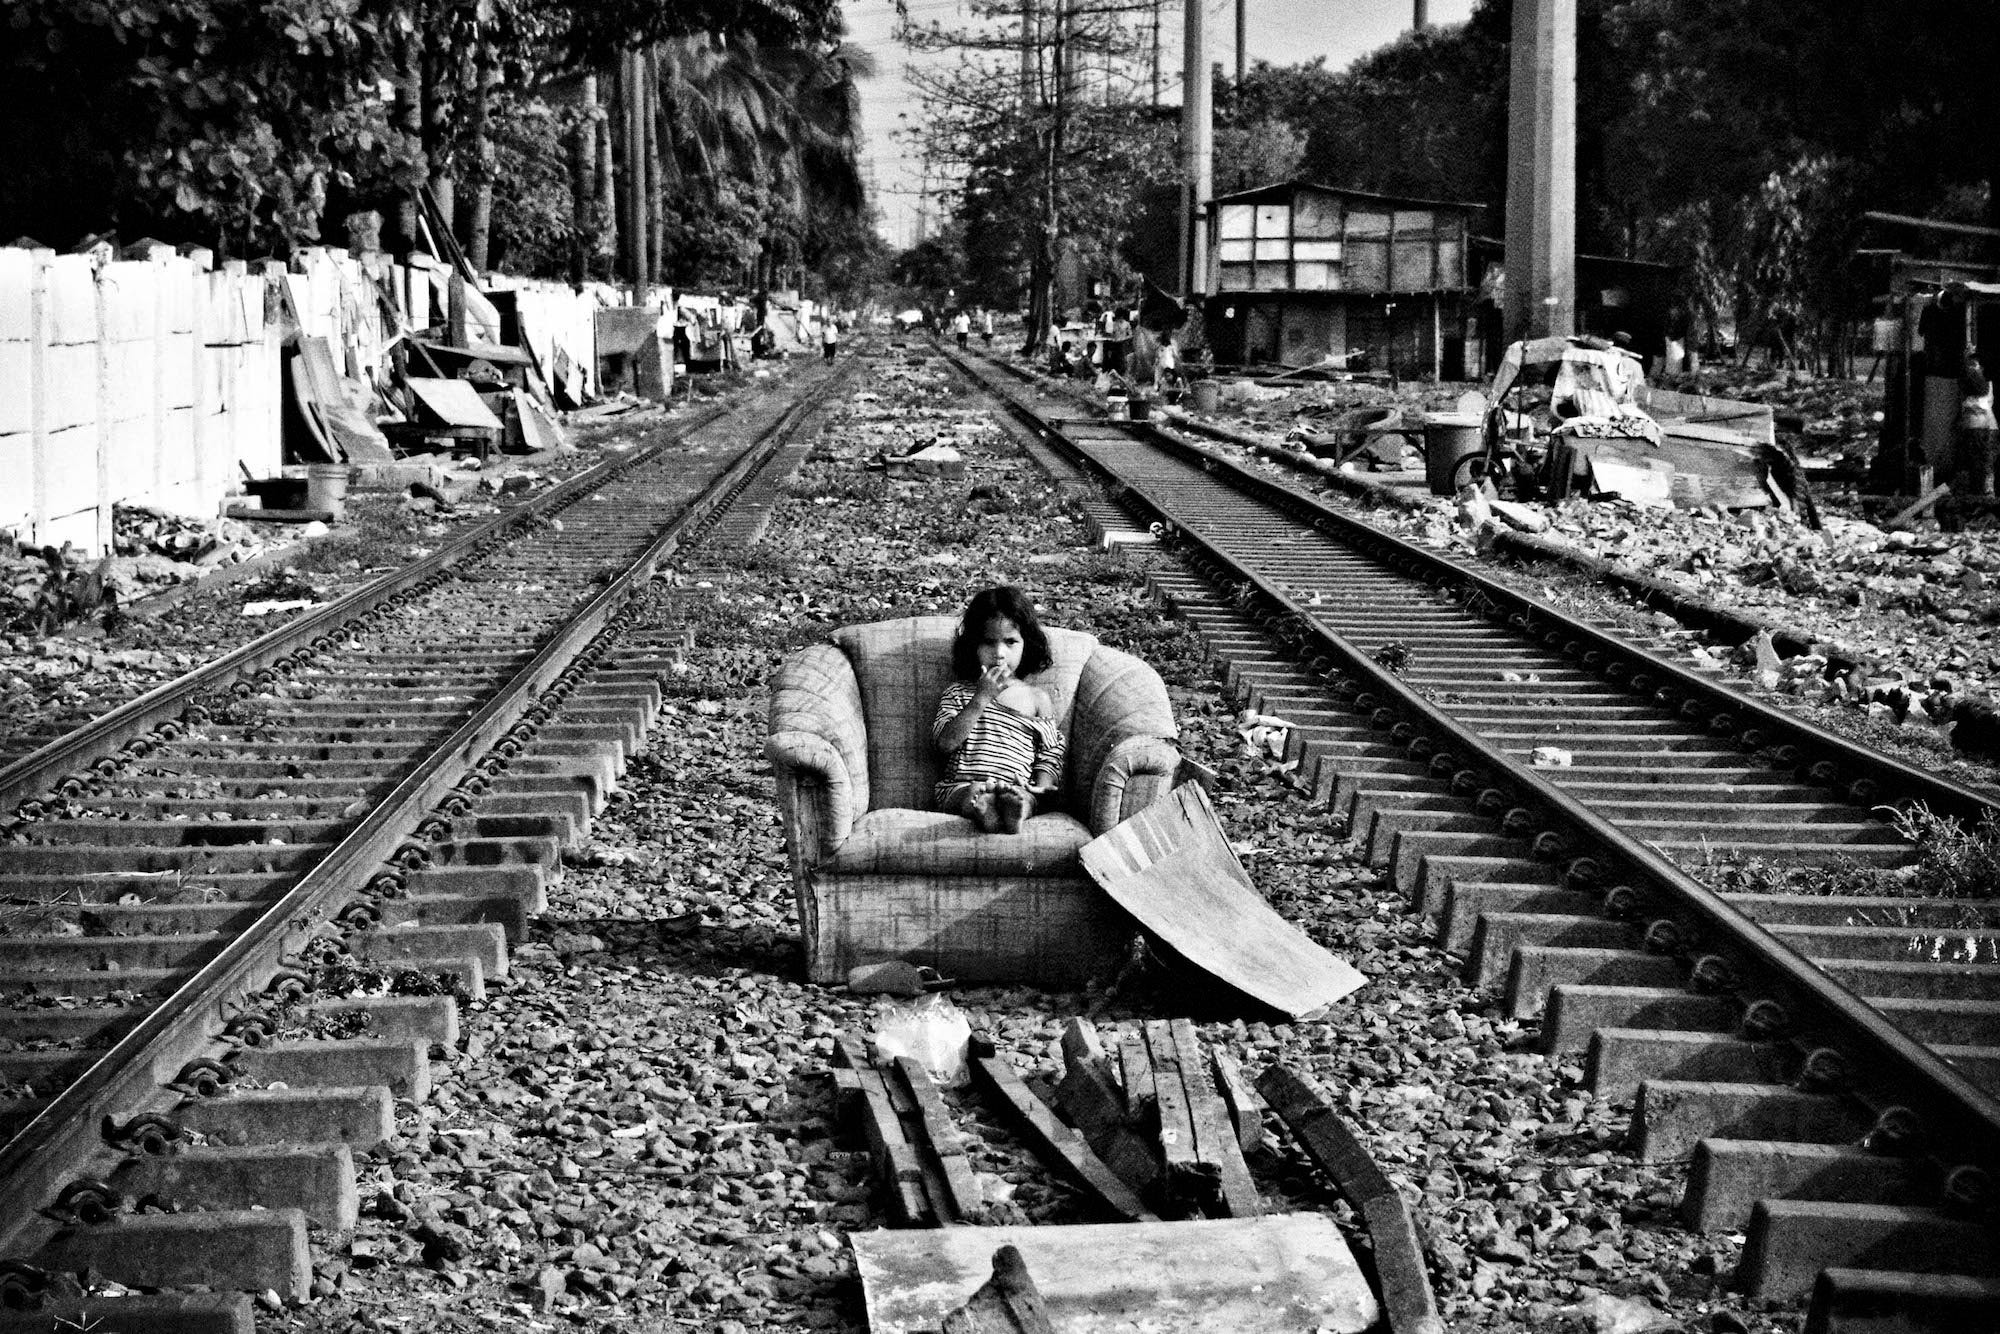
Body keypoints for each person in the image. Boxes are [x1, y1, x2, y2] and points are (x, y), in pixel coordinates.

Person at [933, 587, 1065, 835]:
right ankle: (983, 808)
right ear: (973, 645)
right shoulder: (958, 693)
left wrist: (1042, 785)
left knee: (1025, 798)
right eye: (989, 642)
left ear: (1027, 644)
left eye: (1010, 642)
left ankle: (1016, 809)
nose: (999, 653)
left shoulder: (1037, 699)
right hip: (963, 785)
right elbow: (944, 744)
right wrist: (981, 699)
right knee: (970, 793)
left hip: (1016, 786)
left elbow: (1050, 752)